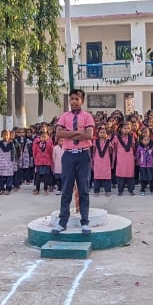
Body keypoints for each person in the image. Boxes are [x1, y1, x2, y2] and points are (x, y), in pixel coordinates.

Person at [53, 89, 95, 235]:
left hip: (83, 155)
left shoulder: (87, 117)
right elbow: (58, 133)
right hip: (69, 156)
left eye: (77, 99)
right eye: (71, 99)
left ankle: (85, 222)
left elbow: (89, 135)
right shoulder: (64, 117)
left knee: (83, 189)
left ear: (82, 101)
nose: (73, 102)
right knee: (66, 189)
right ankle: (62, 222)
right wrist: (78, 134)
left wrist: (69, 134)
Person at [115, 123, 137, 196]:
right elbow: (115, 147)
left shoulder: (131, 137)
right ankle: (120, 190)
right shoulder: (117, 137)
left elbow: (133, 147)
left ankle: (131, 190)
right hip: (121, 158)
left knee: (130, 174)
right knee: (121, 174)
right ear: (120, 129)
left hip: (129, 158)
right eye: (124, 128)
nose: (126, 130)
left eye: (128, 128)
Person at [92, 126, 115, 196]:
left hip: (106, 161)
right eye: (100, 132)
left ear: (106, 134)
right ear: (98, 133)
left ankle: (107, 190)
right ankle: (96, 191)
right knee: (97, 176)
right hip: (98, 161)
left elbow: (110, 151)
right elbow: (94, 150)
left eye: (104, 132)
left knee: (107, 176)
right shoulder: (95, 141)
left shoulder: (108, 142)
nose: (102, 134)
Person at [32, 125, 54, 195]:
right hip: (39, 162)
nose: (43, 138)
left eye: (45, 137)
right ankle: (37, 189)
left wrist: (51, 159)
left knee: (46, 176)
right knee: (38, 176)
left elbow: (51, 152)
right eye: (42, 137)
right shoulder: (36, 142)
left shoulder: (49, 142)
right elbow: (34, 151)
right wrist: (35, 158)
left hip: (46, 162)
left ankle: (45, 189)